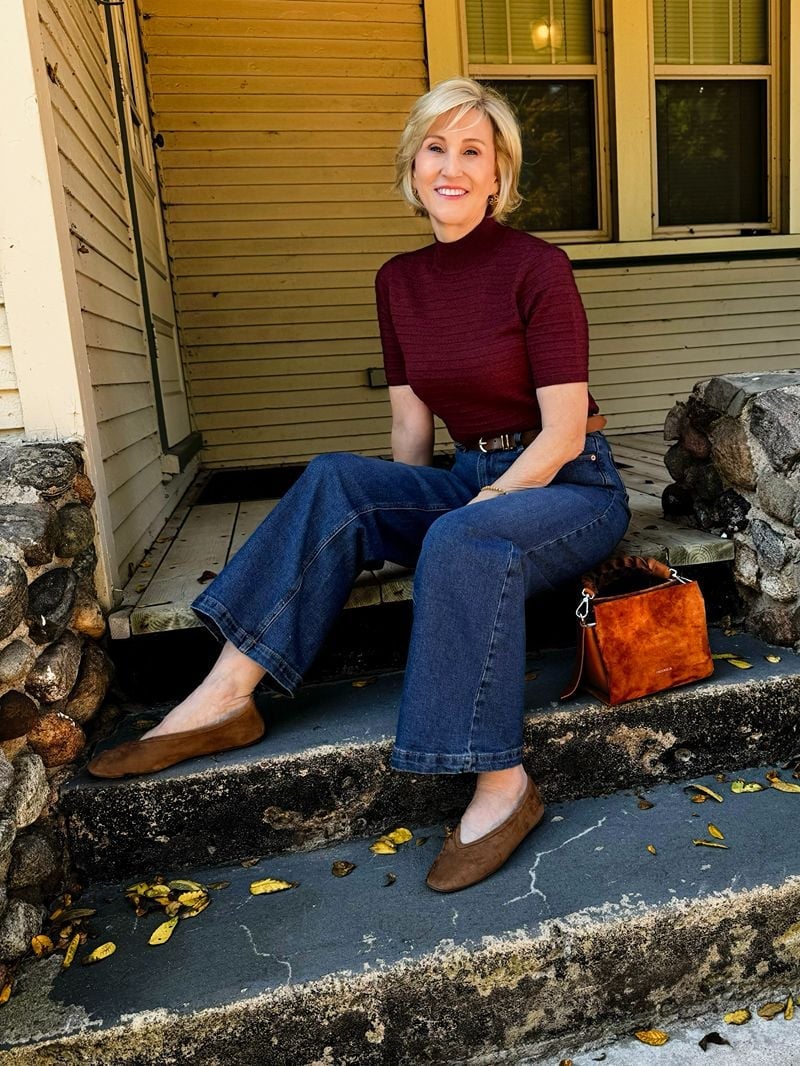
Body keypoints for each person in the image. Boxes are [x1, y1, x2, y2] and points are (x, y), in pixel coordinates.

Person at [88, 78, 630, 893]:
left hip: (570, 485)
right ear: (414, 164)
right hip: (468, 474)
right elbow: (411, 436)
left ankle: (502, 783)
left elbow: (559, 434)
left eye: (471, 151)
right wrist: (383, 523)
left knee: (464, 535)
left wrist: (471, 512)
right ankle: (226, 699)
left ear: (497, 175)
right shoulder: (398, 282)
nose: (451, 166)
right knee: (340, 480)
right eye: (435, 147)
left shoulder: (538, 268)